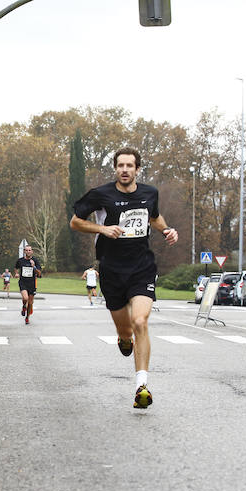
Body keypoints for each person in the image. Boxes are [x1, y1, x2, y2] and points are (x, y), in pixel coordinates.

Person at [70, 146, 178, 409]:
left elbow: (154, 216)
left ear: (137, 169)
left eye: (130, 166)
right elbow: (75, 222)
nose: (125, 170)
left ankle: (142, 386)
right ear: (115, 169)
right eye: (121, 166)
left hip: (142, 267)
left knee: (140, 320)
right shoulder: (101, 194)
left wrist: (166, 230)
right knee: (126, 330)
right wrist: (102, 229)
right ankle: (124, 339)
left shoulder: (149, 193)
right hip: (112, 269)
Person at [14, 245, 42, 325]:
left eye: (29, 250)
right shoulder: (20, 261)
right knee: (25, 298)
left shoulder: (35, 261)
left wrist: (34, 267)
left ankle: (27, 318)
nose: (28, 251)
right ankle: (23, 306)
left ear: (32, 251)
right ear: (24, 251)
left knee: (30, 303)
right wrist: (16, 273)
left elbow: (39, 274)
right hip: (23, 282)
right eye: (26, 250)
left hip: (32, 284)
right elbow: (16, 268)